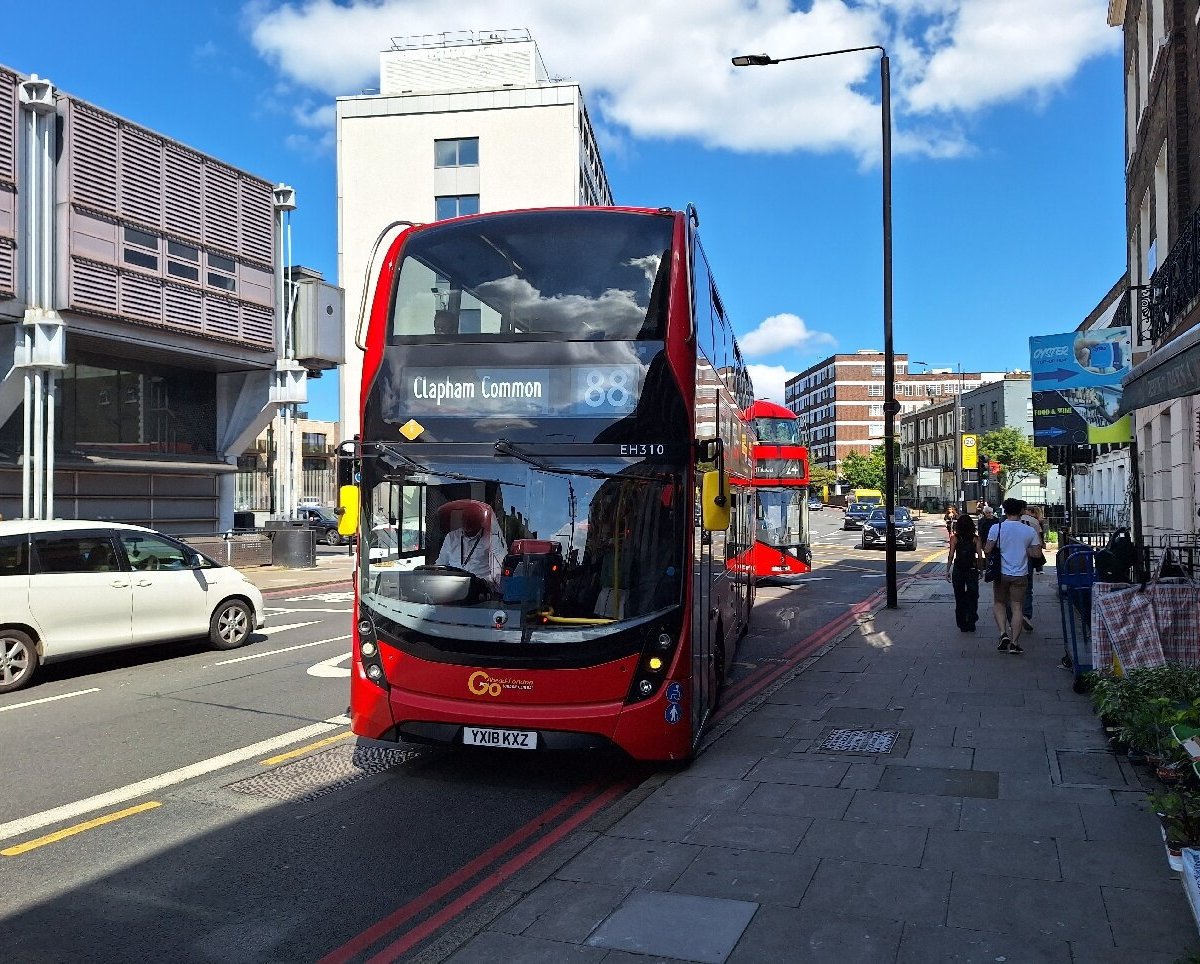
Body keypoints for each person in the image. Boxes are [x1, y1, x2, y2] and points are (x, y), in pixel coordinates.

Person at [984, 497, 1043, 655]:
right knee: (1017, 607)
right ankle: (1015, 643)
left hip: (1001, 574)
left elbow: (987, 549)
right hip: (1020, 574)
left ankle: (1003, 634)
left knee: (999, 603)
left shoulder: (997, 528)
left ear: (1005, 510)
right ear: (1021, 511)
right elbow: (1037, 553)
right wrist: (1025, 550)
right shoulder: (1029, 530)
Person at [434, 499, 507, 589]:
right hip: (453, 586)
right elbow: (440, 564)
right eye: (465, 518)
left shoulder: (492, 538)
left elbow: (499, 569)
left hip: (481, 588)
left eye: (472, 518)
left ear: (480, 520)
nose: (467, 521)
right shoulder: (451, 537)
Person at [946, 512, 983, 632]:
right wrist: (981, 570)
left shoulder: (954, 538)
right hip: (972, 569)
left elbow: (951, 555)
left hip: (958, 569)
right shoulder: (976, 539)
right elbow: (980, 556)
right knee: (973, 595)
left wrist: (947, 570)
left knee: (959, 596)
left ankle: (962, 623)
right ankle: (971, 620)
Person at [1018, 504, 1045, 632]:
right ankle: (1026, 614)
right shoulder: (1034, 522)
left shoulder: (1010, 522)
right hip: (1028, 556)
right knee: (1028, 587)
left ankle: (1014, 615)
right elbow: (1039, 543)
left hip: (1011, 557)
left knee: (1010, 588)